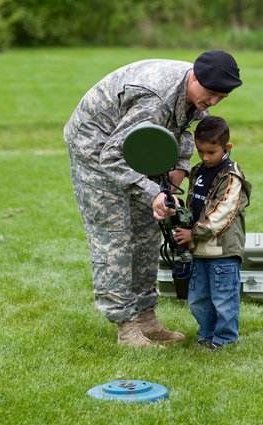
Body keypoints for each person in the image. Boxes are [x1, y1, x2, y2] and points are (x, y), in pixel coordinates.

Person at [64, 50, 243, 347]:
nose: (212, 103)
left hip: (137, 148)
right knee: (116, 235)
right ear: (195, 78)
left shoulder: (198, 91)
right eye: (210, 95)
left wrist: (175, 176)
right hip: (95, 149)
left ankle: (146, 316)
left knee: (147, 230)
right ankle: (125, 326)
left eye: (220, 99)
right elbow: (111, 156)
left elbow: (185, 132)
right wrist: (152, 192)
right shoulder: (155, 100)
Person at [174, 116, 251, 351]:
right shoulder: (197, 171)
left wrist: (193, 233)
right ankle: (206, 334)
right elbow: (194, 205)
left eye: (211, 152)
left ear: (226, 148)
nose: (205, 157)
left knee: (224, 299)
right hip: (200, 250)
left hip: (223, 251)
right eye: (200, 151)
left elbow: (221, 215)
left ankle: (225, 339)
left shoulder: (231, 176)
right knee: (198, 299)